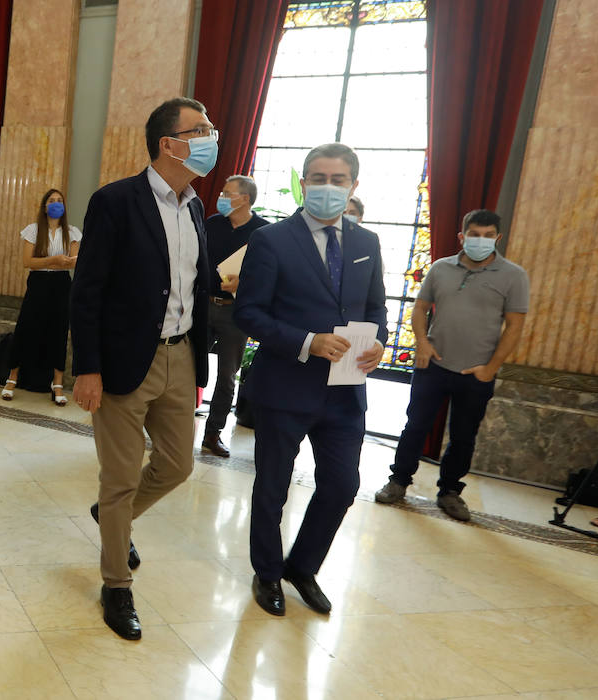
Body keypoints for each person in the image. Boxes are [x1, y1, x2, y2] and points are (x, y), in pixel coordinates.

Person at [70, 97, 213, 640]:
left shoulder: (196, 207)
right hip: (126, 359)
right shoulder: (116, 201)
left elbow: (191, 286)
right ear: (168, 144)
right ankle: (115, 585)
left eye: (210, 129)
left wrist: (201, 361)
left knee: (177, 466)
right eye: (198, 130)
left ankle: (114, 519)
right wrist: (88, 368)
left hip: (181, 354)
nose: (208, 137)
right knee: (121, 477)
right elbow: (88, 292)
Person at [234, 142, 387, 617]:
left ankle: (302, 567)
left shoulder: (366, 243)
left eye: (337, 180)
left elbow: (376, 308)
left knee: (342, 485)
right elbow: (249, 312)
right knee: (273, 487)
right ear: (304, 183)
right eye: (316, 178)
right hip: (286, 386)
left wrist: (379, 341)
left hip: (345, 391)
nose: (326, 187)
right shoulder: (272, 240)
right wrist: (307, 341)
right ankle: (267, 573)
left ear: (353, 186)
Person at [375, 209, 528, 521]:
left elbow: (514, 327)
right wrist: (422, 342)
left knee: (463, 435)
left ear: (498, 238)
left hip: (476, 372)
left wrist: (491, 368)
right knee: (415, 426)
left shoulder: (514, 275)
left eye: (488, 235)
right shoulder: (441, 268)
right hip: (433, 365)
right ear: (462, 236)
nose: (480, 240)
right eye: (474, 234)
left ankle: (449, 492)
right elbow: (420, 309)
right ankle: (398, 481)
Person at [201, 175, 268, 457]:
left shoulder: (263, 232)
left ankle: (213, 433)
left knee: (227, 376)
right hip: (202, 304)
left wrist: (245, 283)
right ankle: (170, 424)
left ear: (245, 199)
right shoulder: (213, 223)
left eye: (228, 193)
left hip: (235, 312)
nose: (222, 197)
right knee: (182, 365)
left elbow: (269, 275)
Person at [3, 189, 81, 406]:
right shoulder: (34, 230)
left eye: (60, 201)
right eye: (52, 201)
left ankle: (56, 383)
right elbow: (28, 262)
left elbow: (75, 261)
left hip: (62, 284)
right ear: (44, 206)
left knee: (58, 330)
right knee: (26, 327)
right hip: (38, 283)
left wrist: (63, 262)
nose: (56, 204)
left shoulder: (72, 232)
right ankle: (12, 378)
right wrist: (53, 260)